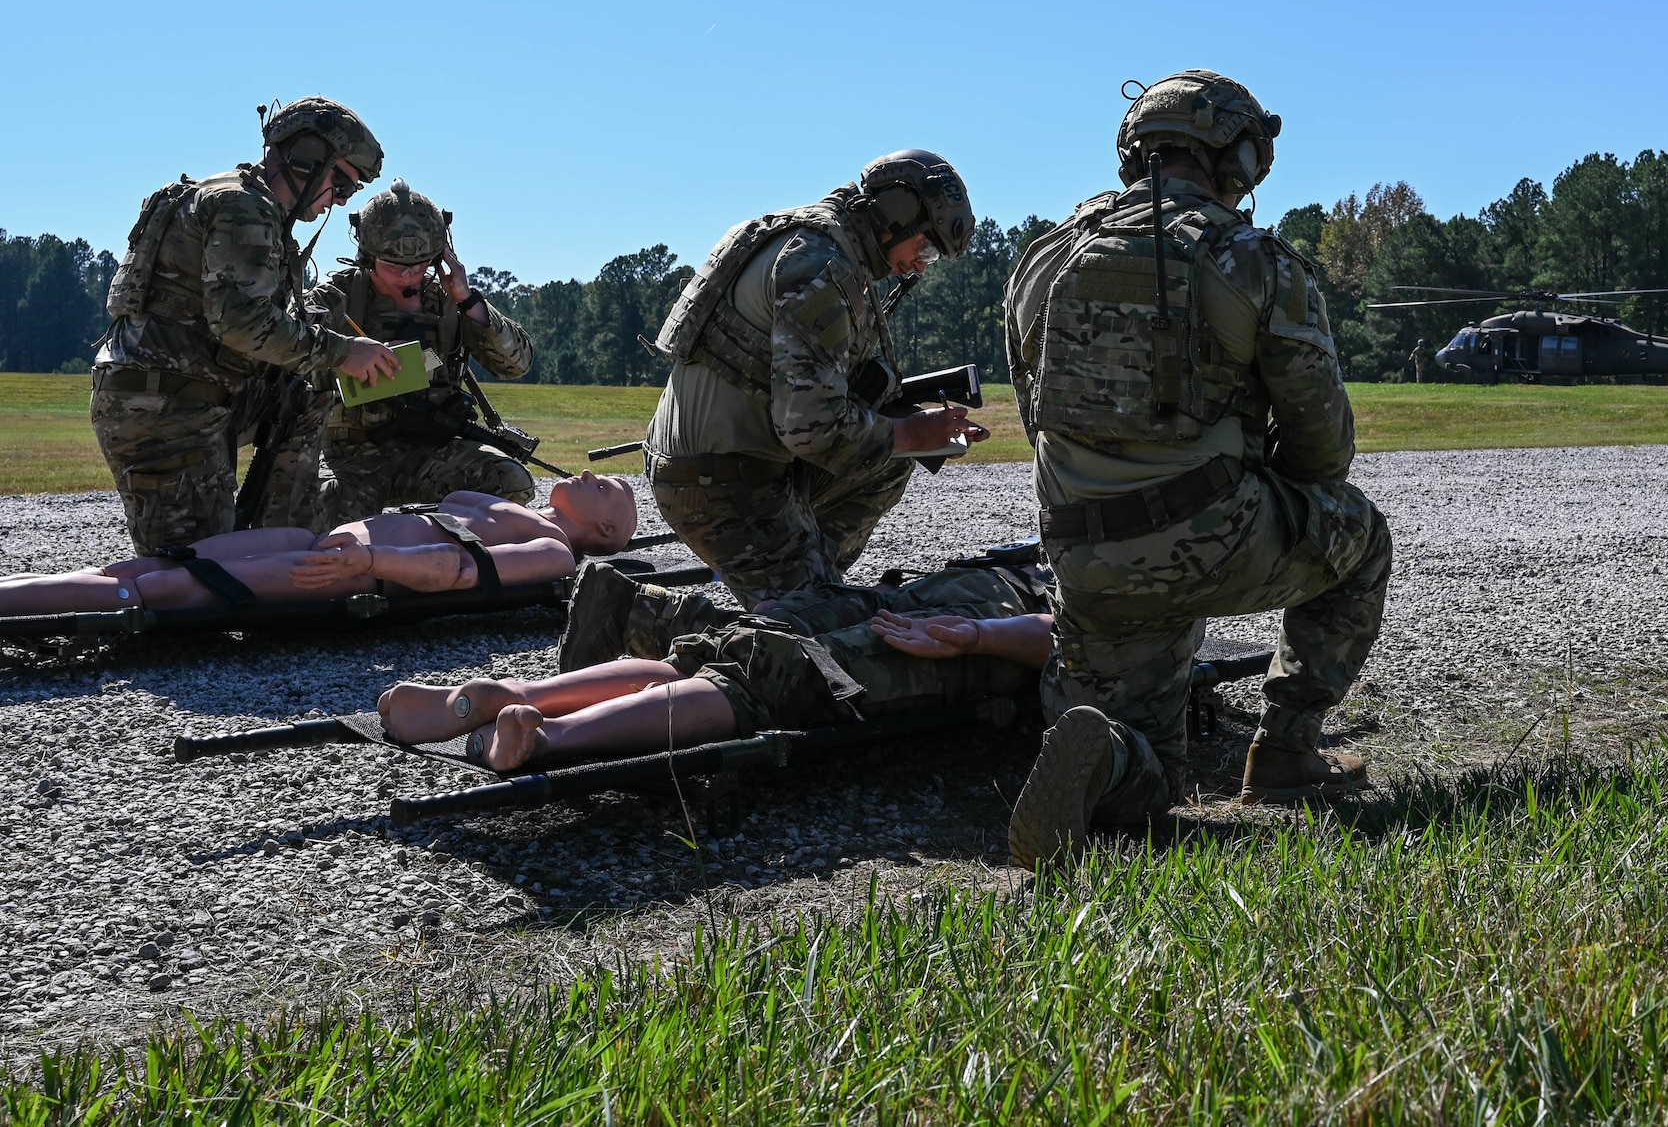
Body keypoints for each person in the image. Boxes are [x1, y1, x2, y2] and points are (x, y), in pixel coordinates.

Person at [1002, 70, 1395, 868]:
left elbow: (1037, 413)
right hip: (1214, 536)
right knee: (1365, 535)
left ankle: (1110, 759)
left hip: (1084, 559)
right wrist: (1257, 484)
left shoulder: (1041, 260)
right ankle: (1285, 749)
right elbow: (1324, 448)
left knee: (1159, 778)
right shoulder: (1254, 258)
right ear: (1239, 160)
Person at [644, 149, 988, 607]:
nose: (922, 264)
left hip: (731, 465)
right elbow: (813, 428)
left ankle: (801, 576)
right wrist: (909, 431)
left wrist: (916, 432)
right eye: (925, 247)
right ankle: (637, 613)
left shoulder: (822, 242)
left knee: (891, 462)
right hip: (718, 483)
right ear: (897, 214)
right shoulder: (822, 266)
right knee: (817, 634)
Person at [376, 561, 1052, 771]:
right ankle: (547, 736)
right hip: (978, 623)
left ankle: (521, 695)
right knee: (764, 676)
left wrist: (977, 629)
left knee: (721, 648)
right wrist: (977, 636)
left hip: (948, 599)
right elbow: (1062, 634)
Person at [91, 97, 403, 553]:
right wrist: (342, 352)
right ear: (307, 159)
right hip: (162, 412)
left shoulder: (242, 201)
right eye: (340, 184)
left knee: (306, 387)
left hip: (185, 398)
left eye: (349, 194)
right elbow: (241, 324)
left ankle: (284, 542)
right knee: (193, 584)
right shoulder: (243, 208)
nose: (337, 201)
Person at [0, 473, 637, 618]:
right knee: (149, 565)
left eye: (605, 487)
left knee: (156, 592)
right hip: (321, 542)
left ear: (606, 531)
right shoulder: (521, 508)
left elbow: (460, 571)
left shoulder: (552, 550)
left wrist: (373, 562)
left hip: (345, 568)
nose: (587, 475)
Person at [307, 180, 538, 524]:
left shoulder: (449, 302)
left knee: (510, 483)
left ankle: (443, 554)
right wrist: (343, 355)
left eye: (421, 263)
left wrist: (469, 301)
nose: (410, 274)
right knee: (317, 518)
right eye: (395, 265)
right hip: (350, 456)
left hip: (432, 452)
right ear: (368, 255)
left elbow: (516, 364)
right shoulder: (336, 299)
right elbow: (282, 357)